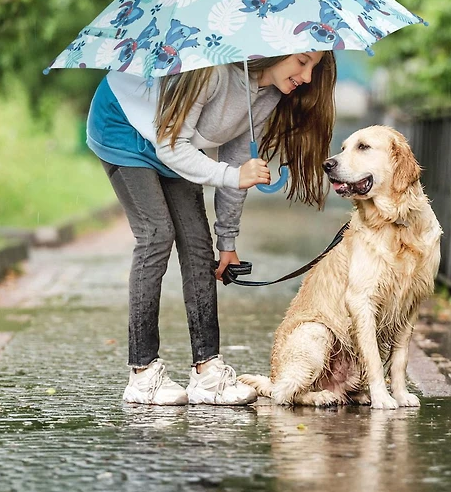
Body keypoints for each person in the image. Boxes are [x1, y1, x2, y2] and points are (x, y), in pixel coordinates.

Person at [86, 51, 336, 405]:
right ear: (278, 52)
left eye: (314, 68)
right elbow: (180, 149)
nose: (307, 77)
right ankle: (141, 374)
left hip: (175, 142)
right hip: (123, 124)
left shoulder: (268, 96)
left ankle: (207, 372)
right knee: (157, 234)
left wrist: (228, 242)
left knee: (198, 246)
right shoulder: (211, 72)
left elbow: (238, 166)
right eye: (302, 61)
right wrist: (233, 175)